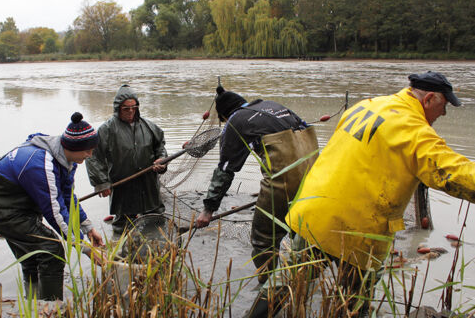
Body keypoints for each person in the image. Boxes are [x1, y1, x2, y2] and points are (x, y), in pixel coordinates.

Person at [283, 71, 475, 313]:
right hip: (357, 233)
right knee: (353, 305)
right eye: (444, 105)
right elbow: (452, 172)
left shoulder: (365, 105)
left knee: (283, 288)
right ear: (428, 99)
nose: (444, 113)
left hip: (311, 214)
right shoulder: (414, 130)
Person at [195, 85, 319, 283]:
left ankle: (266, 287)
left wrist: (208, 210)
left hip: (284, 181)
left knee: (263, 238)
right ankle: (303, 281)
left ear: (226, 115)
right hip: (316, 177)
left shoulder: (235, 121)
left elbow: (225, 170)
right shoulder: (272, 105)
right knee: (302, 232)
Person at [0, 112, 104, 301]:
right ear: (72, 147)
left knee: (32, 256)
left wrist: (88, 227)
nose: (90, 155)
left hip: (22, 203)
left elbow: (67, 197)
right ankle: (52, 308)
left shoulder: (67, 158)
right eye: (87, 150)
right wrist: (84, 247)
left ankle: (33, 304)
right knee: (51, 249)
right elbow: (54, 212)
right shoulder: (41, 164)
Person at [86, 84, 167, 234]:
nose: (130, 111)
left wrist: (162, 160)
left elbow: (160, 147)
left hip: (148, 183)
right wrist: (101, 182)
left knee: (156, 221)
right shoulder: (107, 129)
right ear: (118, 108)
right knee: (122, 226)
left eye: (133, 107)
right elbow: (92, 156)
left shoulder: (149, 126)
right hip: (122, 185)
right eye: (126, 108)